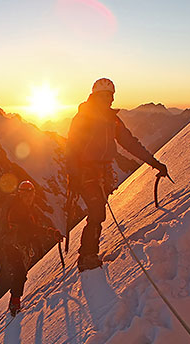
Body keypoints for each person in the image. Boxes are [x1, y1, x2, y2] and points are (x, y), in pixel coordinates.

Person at [66, 78, 168, 272]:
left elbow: (130, 143)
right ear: (95, 97)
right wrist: (74, 177)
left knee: (98, 213)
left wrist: (153, 163)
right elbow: (71, 149)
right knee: (97, 211)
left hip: (102, 172)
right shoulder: (83, 118)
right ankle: (86, 257)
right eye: (103, 95)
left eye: (109, 96)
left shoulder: (112, 119)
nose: (107, 99)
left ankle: (90, 253)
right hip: (86, 173)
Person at [2, 180, 63, 315]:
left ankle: (14, 302)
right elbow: (31, 229)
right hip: (13, 246)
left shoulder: (24, 208)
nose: (29, 198)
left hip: (15, 245)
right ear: (21, 195)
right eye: (27, 196)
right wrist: (49, 232)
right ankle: (14, 304)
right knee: (20, 273)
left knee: (20, 273)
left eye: (31, 195)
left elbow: (31, 229)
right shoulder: (18, 210)